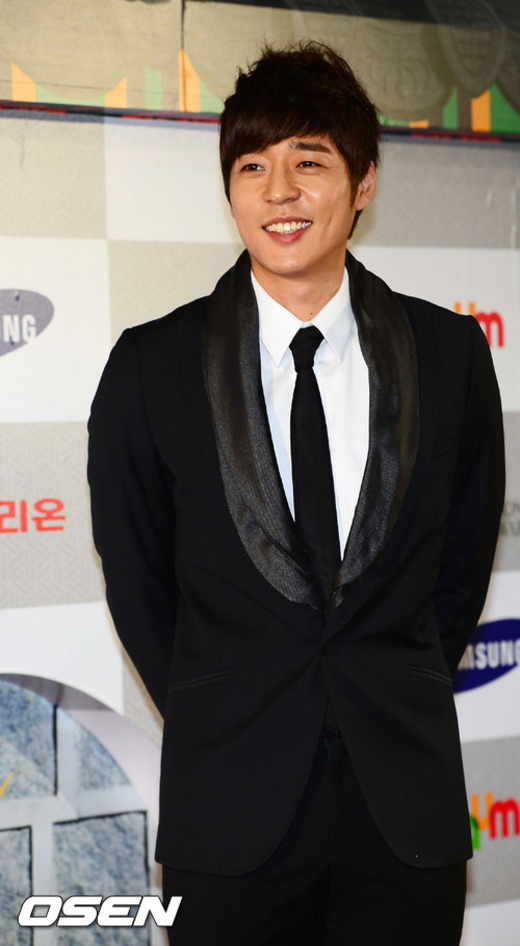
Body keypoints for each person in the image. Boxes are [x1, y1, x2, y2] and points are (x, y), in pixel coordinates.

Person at [88, 41, 505, 946]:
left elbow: (460, 571)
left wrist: (384, 681)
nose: (278, 192)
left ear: (363, 183)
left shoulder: (450, 359)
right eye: (252, 166)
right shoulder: (151, 368)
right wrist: (224, 702)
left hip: (405, 819)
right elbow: (139, 581)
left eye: (308, 161)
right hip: (228, 814)